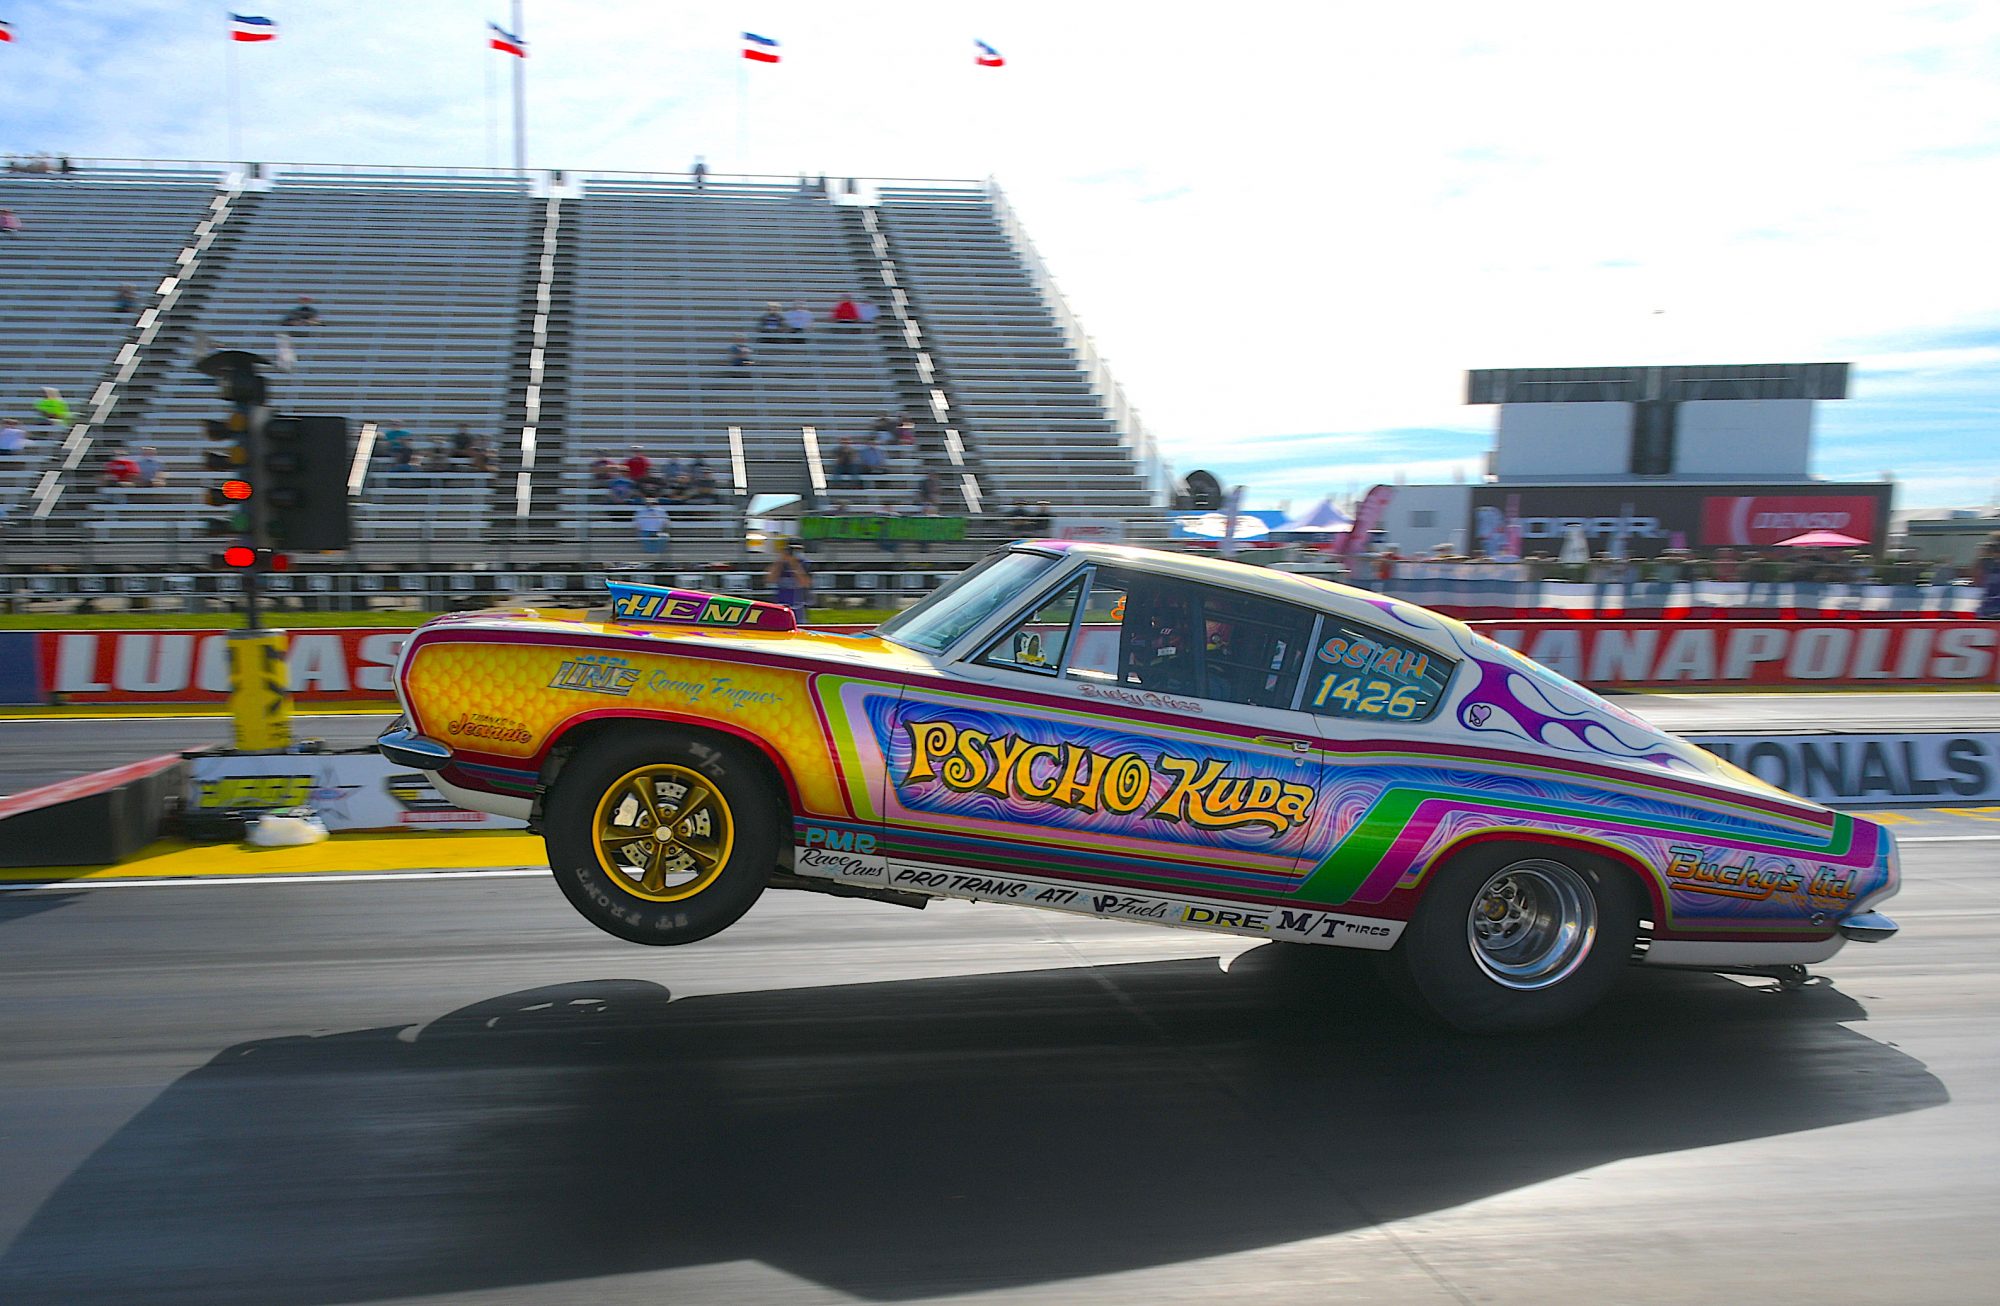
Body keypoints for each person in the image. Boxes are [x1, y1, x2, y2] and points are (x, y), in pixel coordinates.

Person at [767, 540, 812, 622]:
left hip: (798, 604)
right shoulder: (780, 564)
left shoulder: (805, 564)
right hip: (781, 604)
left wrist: (794, 564)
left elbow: (805, 583)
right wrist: (780, 562)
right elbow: (770, 579)